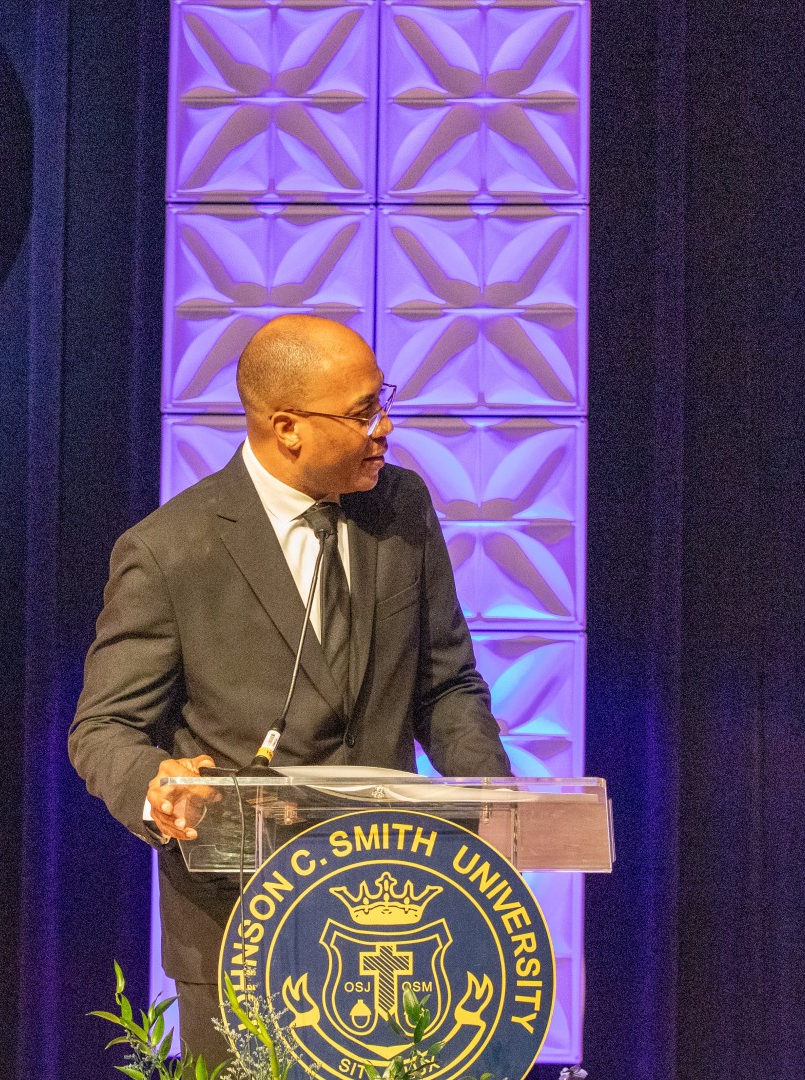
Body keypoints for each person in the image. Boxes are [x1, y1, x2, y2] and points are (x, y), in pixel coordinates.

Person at [67, 314, 512, 1064]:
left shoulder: (402, 507)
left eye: (382, 403)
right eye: (363, 412)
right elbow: (103, 729)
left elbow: (445, 685)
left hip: (393, 917)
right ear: (288, 428)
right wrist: (157, 786)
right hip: (239, 929)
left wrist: (497, 808)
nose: (384, 428)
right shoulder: (171, 550)